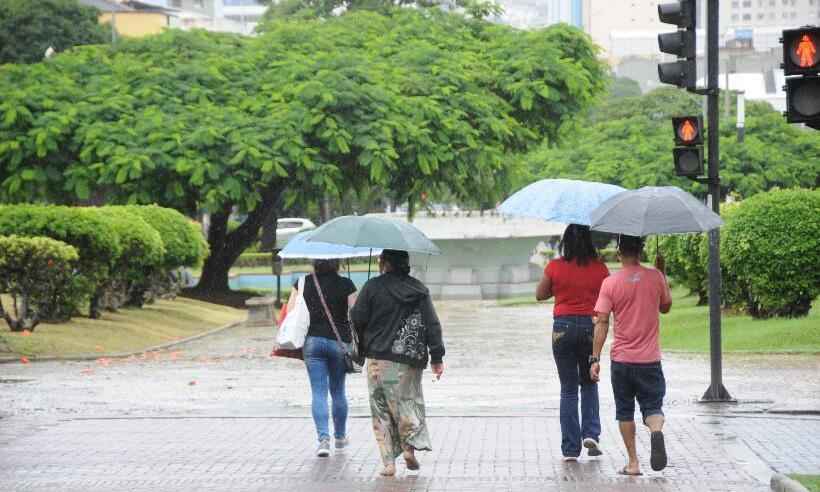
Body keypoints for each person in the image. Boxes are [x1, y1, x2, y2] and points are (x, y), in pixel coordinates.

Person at [350, 249, 445, 477]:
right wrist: (437, 357)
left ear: (384, 263)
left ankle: (389, 464)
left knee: (381, 410)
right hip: (409, 359)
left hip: (378, 358)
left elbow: (357, 319)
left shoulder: (373, 287)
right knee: (407, 403)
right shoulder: (419, 290)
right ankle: (409, 447)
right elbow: (432, 324)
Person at [590, 235, 672, 476]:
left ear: (619, 253)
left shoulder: (610, 283)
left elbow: (602, 322)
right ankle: (656, 431)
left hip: (622, 361)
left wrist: (595, 359)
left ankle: (634, 463)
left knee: (625, 411)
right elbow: (665, 307)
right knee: (653, 407)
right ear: (640, 251)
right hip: (650, 360)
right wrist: (662, 272)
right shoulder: (655, 277)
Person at [536, 224, 609, 461]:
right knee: (589, 383)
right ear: (590, 242)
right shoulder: (600, 269)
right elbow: (608, 297)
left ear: (565, 242)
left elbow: (540, 294)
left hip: (562, 329)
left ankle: (569, 448)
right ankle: (590, 433)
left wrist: (559, 290)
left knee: (568, 389)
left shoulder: (555, 267)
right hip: (590, 327)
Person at [288, 259, 357, 457]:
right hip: (339, 342)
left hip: (313, 342)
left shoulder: (303, 283)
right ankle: (341, 437)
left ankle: (323, 440)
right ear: (337, 263)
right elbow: (357, 313)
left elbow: (291, 312)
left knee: (318, 392)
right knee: (338, 391)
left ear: (314, 262)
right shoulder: (346, 284)